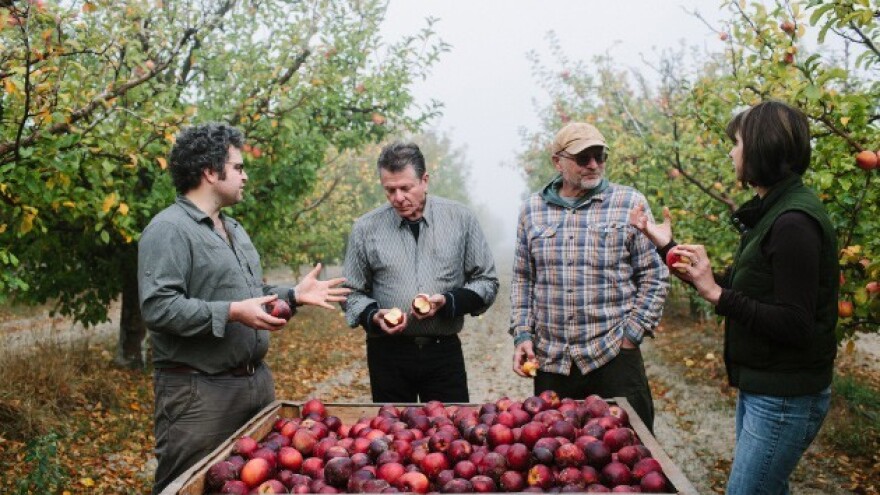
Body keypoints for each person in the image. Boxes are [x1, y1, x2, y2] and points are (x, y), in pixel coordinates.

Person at [629, 100, 838, 495]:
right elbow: (745, 289)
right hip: (768, 388)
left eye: (737, 142)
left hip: (785, 396)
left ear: (761, 147)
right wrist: (667, 247)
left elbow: (796, 324)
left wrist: (715, 294)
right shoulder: (773, 213)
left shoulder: (794, 222)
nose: (730, 152)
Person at [138, 123, 350, 493]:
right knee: (189, 484)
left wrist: (293, 295)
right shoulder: (169, 230)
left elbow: (250, 292)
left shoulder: (232, 228)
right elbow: (159, 308)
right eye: (237, 167)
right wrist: (232, 312)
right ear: (209, 172)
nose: (245, 176)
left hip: (254, 387)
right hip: (200, 394)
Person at [510, 122, 668, 431]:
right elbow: (523, 279)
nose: (594, 165)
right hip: (553, 360)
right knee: (555, 454)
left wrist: (631, 335)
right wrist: (523, 334)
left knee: (630, 454)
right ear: (558, 161)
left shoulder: (629, 203)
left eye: (599, 155)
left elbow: (654, 275)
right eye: (584, 158)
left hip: (611, 355)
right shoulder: (532, 210)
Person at [342, 141, 499, 403]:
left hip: (443, 353)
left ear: (424, 180)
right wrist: (373, 317)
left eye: (406, 188)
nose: (398, 198)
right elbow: (351, 293)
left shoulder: (460, 219)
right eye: (389, 190)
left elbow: (487, 281)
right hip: (388, 355)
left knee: (449, 434)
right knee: (392, 435)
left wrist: (449, 302)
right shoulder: (366, 228)